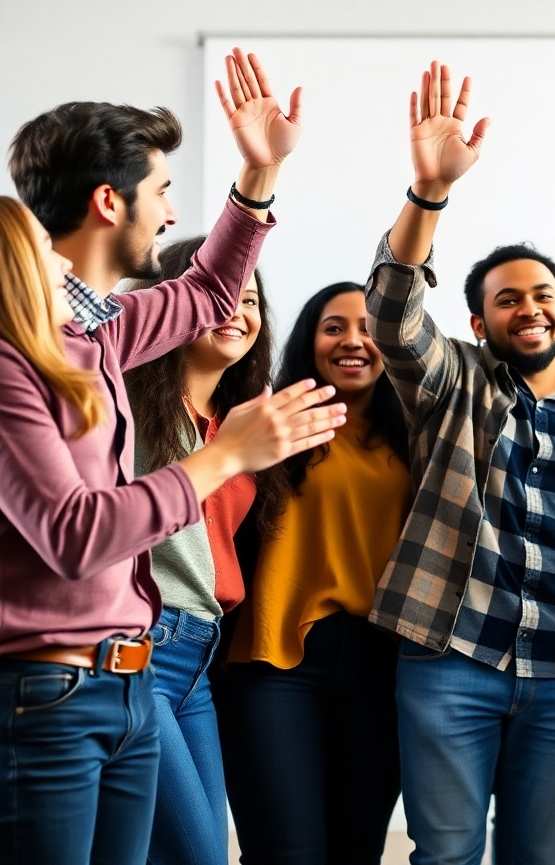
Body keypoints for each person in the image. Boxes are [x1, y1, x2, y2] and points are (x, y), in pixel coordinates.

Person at [0, 48, 344, 864]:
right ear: (108, 201)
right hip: (50, 693)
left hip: (127, 681)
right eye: (160, 193)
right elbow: (73, 534)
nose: (167, 214)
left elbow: (210, 292)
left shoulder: (94, 338)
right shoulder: (15, 359)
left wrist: (258, 174)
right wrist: (222, 458)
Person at [365, 61, 555, 865]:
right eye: (508, 300)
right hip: (451, 658)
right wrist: (429, 192)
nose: (531, 309)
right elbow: (391, 311)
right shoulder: (454, 382)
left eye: (543, 295)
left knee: (543, 857)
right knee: (447, 854)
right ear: (479, 322)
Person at [215, 282, 410, 865]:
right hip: (271, 657)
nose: (353, 340)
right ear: (310, 339)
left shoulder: (414, 436)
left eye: (368, 329)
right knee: (285, 852)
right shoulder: (266, 420)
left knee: (356, 850)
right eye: (334, 327)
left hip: (382, 662)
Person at [123, 238, 286, 865]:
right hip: (143, 645)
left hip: (199, 657)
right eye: (218, 294)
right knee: (197, 855)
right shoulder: (130, 403)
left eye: (249, 301)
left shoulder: (241, 419)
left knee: (198, 850)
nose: (235, 311)